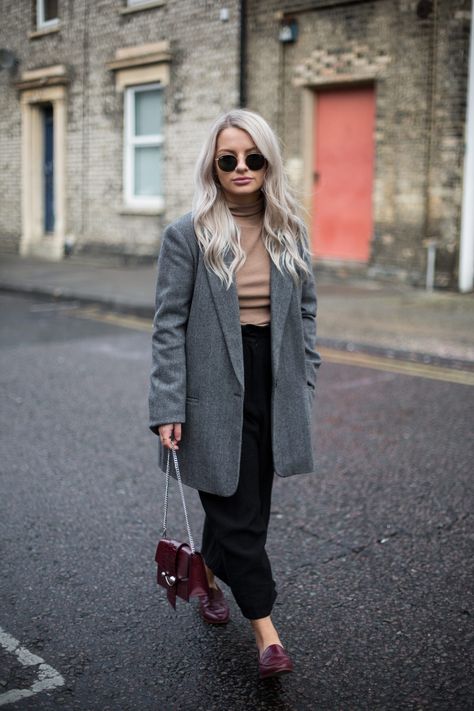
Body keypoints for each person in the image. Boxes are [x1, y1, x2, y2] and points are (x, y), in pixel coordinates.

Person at [149, 109, 321, 679]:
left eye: (254, 158)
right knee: (235, 508)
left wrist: (306, 379)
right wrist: (168, 405)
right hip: (210, 388)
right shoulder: (188, 234)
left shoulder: (289, 229)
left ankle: (211, 576)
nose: (242, 168)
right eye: (229, 159)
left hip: (272, 381)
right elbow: (169, 324)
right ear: (214, 166)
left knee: (251, 507)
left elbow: (305, 313)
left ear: (268, 163)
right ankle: (267, 634)